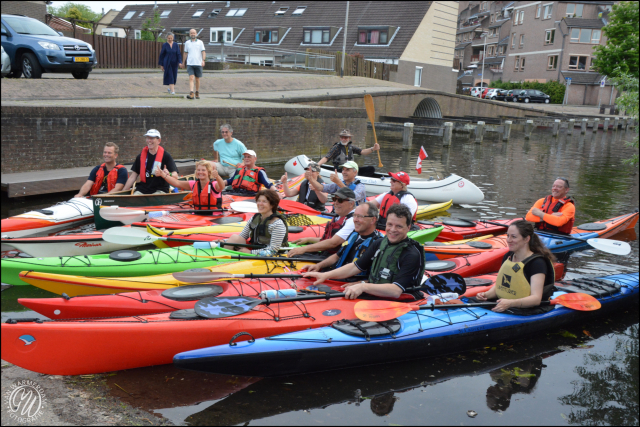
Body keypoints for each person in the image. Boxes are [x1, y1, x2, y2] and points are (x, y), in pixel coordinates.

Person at [304, 204, 426, 300]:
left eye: (399, 226)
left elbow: (395, 291)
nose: (392, 230)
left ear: (408, 227)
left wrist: (363, 286)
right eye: (389, 224)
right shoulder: (380, 243)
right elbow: (355, 267)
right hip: (375, 294)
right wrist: (325, 275)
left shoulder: (411, 254)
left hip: (400, 301)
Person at [475, 220, 556, 313]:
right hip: (505, 303)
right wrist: (485, 295)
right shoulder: (508, 256)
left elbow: (536, 299)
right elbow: (501, 286)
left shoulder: (537, 263)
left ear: (526, 239)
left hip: (525, 308)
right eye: (508, 235)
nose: (509, 240)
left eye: (513, 237)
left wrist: (510, 303)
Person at [305, 202, 383, 281]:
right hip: (337, 277)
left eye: (360, 216)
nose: (355, 220)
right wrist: (319, 265)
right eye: (354, 216)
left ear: (373, 220)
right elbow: (337, 256)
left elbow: (376, 277)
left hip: (351, 283)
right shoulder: (354, 234)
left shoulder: (378, 243)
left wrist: (361, 284)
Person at [286, 187, 357, 257]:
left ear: (351, 203)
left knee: (296, 256)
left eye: (340, 200)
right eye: (334, 199)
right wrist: (309, 239)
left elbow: (333, 243)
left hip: (334, 259)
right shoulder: (339, 216)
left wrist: (303, 249)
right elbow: (328, 239)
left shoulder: (352, 221)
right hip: (326, 254)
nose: (335, 203)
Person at [223, 189, 289, 255]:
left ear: (272, 205)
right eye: (259, 201)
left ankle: (225, 261)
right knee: (234, 237)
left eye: (264, 201)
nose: (260, 204)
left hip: (271, 255)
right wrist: (224, 241)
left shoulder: (277, 224)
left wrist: (250, 252)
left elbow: (273, 250)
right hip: (256, 249)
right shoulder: (254, 218)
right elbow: (241, 237)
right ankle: (224, 258)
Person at [123, 129, 179, 195]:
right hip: (142, 190)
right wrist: (122, 192)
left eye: (152, 138)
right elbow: (133, 177)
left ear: (159, 141)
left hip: (160, 190)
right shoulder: (140, 157)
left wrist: (168, 174)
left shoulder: (166, 156)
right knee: (134, 201)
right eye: (147, 138)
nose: (149, 140)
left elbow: (175, 176)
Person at [155, 160, 225, 210]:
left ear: (209, 173)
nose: (200, 172)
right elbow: (177, 182)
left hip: (214, 216)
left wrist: (217, 177)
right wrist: (163, 175)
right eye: (198, 170)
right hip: (199, 214)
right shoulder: (194, 184)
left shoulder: (214, 184)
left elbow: (222, 186)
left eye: (203, 170)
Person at [183, 28, 206, 100]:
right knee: (191, 77)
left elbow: (203, 52)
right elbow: (185, 53)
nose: (193, 34)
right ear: (189, 34)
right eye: (191, 33)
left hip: (198, 63)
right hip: (190, 63)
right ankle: (191, 92)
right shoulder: (187, 43)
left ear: (196, 34)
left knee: (197, 79)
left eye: (194, 33)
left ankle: (197, 92)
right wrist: (183, 62)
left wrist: (203, 60)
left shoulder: (200, 42)